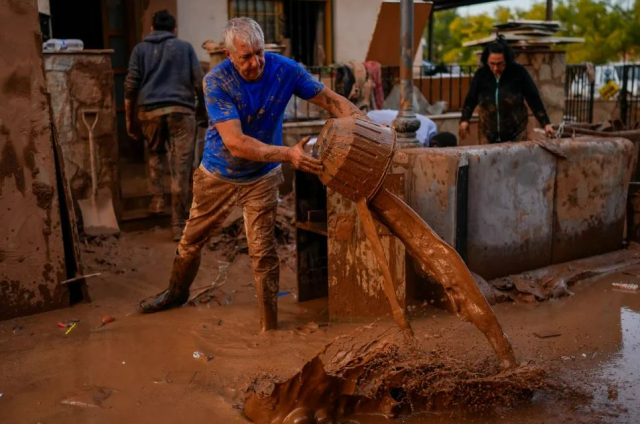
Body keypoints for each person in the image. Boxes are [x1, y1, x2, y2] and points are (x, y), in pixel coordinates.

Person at [139, 17, 370, 333]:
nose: (255, 62)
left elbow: (330, 100)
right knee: (191, 242)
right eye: (245, 57)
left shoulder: (284, 69)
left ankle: (268, 327)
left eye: (259, 53)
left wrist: (367, 127)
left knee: (263, 253)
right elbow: (236, 144)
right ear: (229, 54)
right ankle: (175, 293)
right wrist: (289, 154)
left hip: (262, 177)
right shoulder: (216, 81)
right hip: (217, 173)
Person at [125, 10, 205, 241]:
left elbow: (130, 86)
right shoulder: (185, 47)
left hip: (149, 112)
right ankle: (178, 224)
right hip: (181, 112)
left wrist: (130, 120)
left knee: (155, 154)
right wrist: (201, 112)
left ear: (151, 29)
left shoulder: (139, 49)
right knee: (181, 169)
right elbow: (199, 82)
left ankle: (157, 198)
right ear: (174, 30)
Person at [459, 36, 554, 144]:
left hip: (516, 132)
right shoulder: (481, 75)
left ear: (507, 60)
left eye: (499, 64)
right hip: (488, 132)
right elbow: (471, 98)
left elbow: (533, 97)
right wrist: (464, 120)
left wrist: (545, 123)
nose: (495, 68)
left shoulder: (518, 72)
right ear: (487, 61)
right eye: (492, 64)